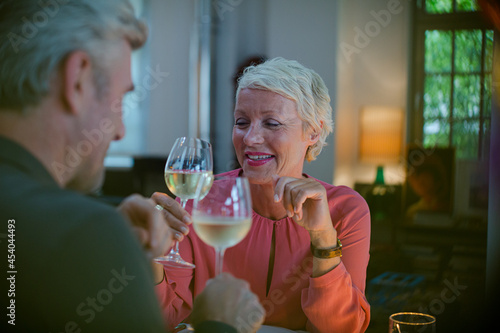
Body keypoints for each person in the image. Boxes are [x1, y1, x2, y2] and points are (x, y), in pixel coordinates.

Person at [0, 1, 264, 332]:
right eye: (121, 99)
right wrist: (217, 324)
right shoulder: (83, 233)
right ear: (78, 78)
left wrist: (102, 242)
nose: (121, 130)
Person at [153, 57, 371, 332]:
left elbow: (343, 329)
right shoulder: (199, 198)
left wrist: (324, 239)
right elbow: (162, 320)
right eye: (242, 122)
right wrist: (150, 253)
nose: (250, 138)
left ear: (313, 132)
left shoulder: (346, 210)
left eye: (272, 123)